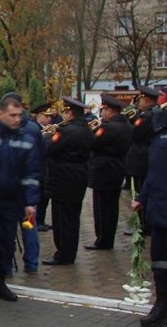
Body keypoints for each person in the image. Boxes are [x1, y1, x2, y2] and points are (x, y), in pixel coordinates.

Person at [0, 93, 40, 301]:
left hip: (12, 200)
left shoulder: (25, 138)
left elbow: (31, 172)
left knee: (7, 244)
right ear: (0, 113)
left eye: (19, 115)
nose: (17, 119)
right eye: (12, 115)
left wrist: (31, 202)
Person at [42, 97, 93, 266]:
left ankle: (63, 255)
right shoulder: (86, 129)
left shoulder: (66, 131)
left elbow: (51, 149)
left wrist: (48, 137)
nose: (63, 115)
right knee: (72, 217)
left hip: (63, 177)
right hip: (79, 175)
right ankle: (68, 253)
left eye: (65, 111)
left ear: (70, 113)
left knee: (62, 219)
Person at [133, 106, 167, 327]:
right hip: (158, 210)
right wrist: (141, 197)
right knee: (160, 262)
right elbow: (153, 172)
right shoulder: (159, 137)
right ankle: (162, 304)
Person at [85, 93, 132, 250]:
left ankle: (102, 240)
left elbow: (92, 143)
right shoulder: (127, 125)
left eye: (104, 110)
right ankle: (108, 238)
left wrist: (92, 130)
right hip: (118, 169)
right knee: (112, 208)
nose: (102, 113)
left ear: (110, 111)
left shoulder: (107, 127)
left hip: (103, 171)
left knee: (101, 208)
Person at [124, 86, 159, 237]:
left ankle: (144, 225)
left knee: (140, 192)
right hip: (147, 156)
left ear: (146, 100)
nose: (139, 104)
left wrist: (130, 120)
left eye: (140, 101)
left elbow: (133, 134)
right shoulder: (154, 114)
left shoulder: (145, 117)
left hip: (140, 158)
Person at [30, 102, 54, 231]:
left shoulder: (42, 128)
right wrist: (47, 139)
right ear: (39, 115)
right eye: (47, 116)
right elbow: (38, 149)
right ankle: (36, 221)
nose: (50, 118)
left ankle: (41, 220)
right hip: (37, 168)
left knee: (44, 197)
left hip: (44, 167)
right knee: (38, 197)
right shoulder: (34, 128)